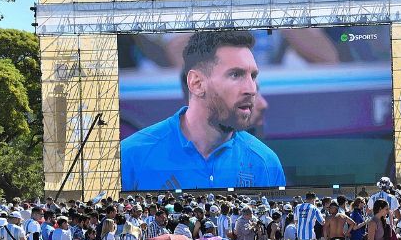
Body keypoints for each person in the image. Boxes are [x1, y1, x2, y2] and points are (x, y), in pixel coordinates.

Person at [121, 30, 286, 190]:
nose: (251, 89)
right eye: (236, 75)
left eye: (253, 76)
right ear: (196, 84)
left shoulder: (265, 162)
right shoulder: (131, 156)